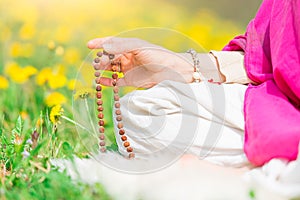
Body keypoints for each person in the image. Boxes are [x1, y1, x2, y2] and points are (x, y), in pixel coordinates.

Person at [87, 0, 300, 167]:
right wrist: (179, 65)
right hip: (283, 104)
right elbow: (267, 53)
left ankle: (279, 170)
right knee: (142, 111)